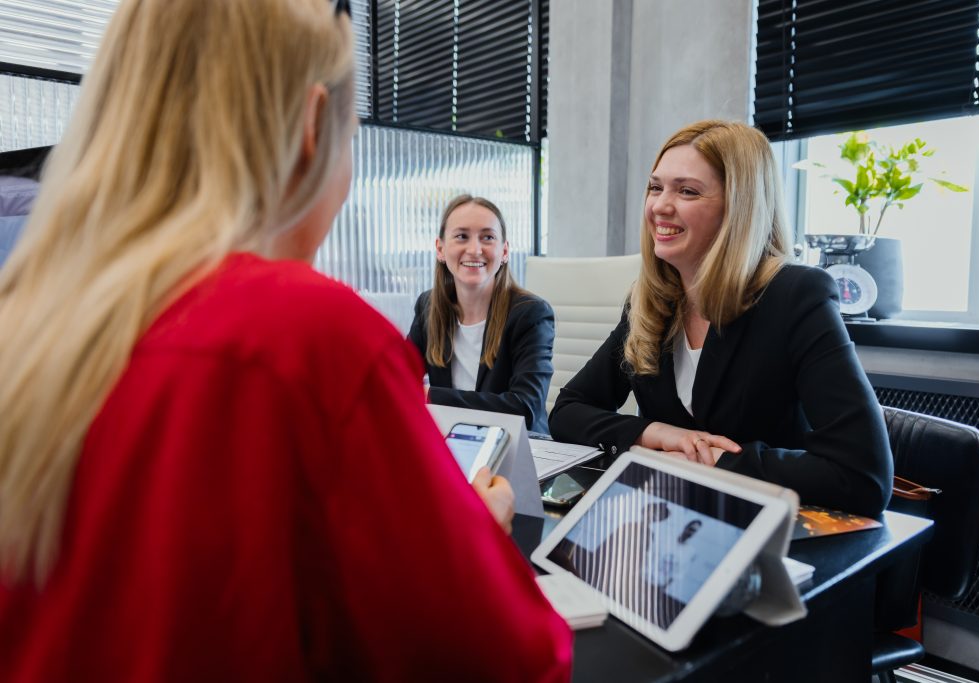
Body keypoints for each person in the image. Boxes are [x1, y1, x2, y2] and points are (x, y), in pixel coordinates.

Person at [0, 2, 571, 681]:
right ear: (310, 128)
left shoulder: (30, 312)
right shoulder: (313, 338)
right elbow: (510, 659)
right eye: (350, 134)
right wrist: (478, 534)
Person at [549, 120, 893, 518]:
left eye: (687, 191)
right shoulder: (650, 302)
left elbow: (863, 475)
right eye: (656, 187)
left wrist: (715, 460)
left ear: (739, 209)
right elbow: (568, 411)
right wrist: (654, 434)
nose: (660, 206)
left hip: (765, 530)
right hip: (670, 520)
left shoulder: (795, 296)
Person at [408, 195, 555, 433]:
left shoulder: (531, 314)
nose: (475, 250)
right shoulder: (428, 306)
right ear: (440, 249)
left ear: (504, 251)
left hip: (518, 444)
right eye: (461, 236)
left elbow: (525, 407)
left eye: (487, 237)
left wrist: (431, 396)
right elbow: (399, 378)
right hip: (453, 441)